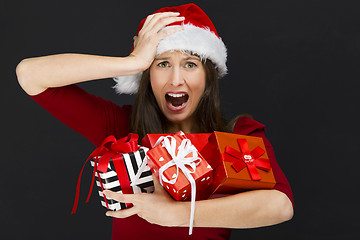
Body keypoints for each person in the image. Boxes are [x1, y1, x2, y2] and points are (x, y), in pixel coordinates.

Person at [16, 3, 294, 240]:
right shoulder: (120, 128)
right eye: (162, 64)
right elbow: (30, 74)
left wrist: (176, 215)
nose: (176, 79)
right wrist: (132, 63)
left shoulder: (236, 135)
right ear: (147, 75)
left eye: (190, 64)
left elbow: (280, 205)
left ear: (208, 77)